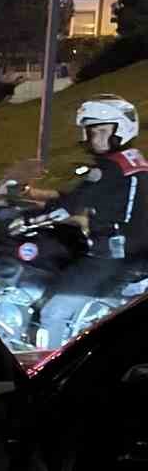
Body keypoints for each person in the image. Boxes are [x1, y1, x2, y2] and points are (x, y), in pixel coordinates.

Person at [38, 96, 148, 347]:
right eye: (92, 131)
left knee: (52, 313)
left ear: (121, 130)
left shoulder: (111, 168)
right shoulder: (135, 160)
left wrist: (27, 218)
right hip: (135, 251)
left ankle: (45, 373)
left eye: (103, 131)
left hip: (112, 254)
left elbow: (72, 203)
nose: (96, 138)